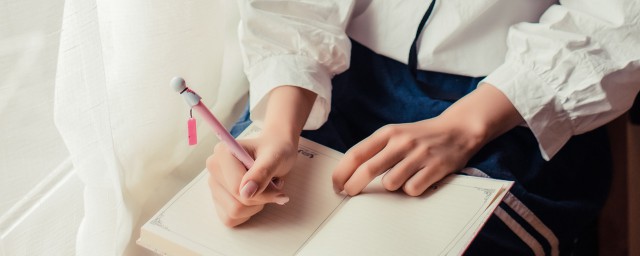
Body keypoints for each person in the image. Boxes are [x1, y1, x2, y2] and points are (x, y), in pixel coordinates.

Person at [206, 0, 640, 255]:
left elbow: (616, 17)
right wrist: (280, 126)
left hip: (517, 99)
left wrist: (465, 125)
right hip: (329, 74)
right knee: (241, 227)